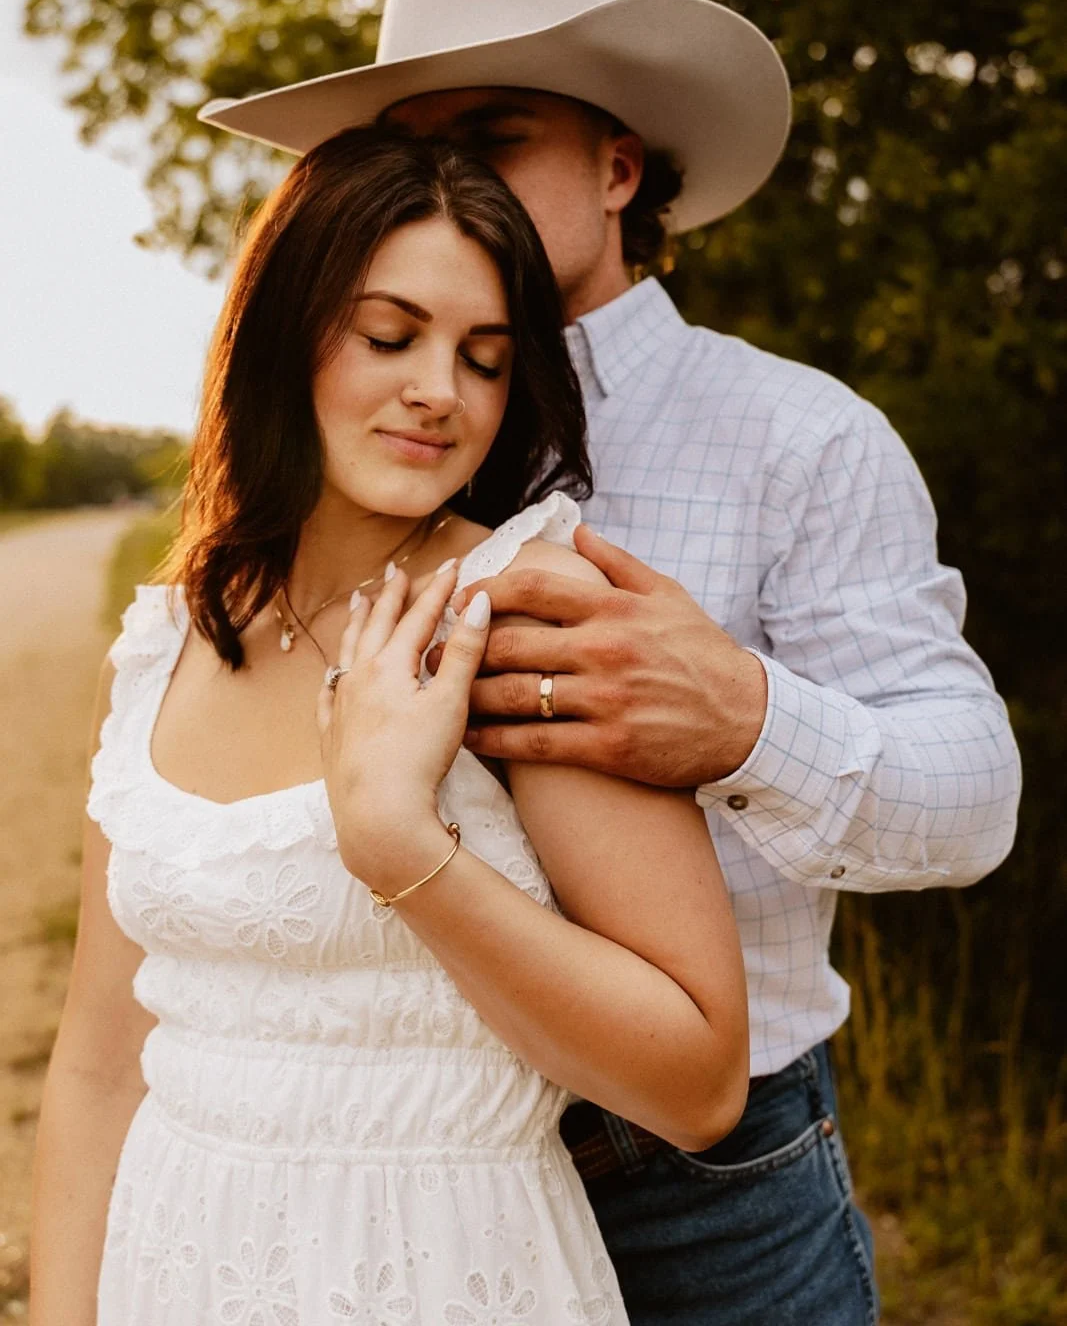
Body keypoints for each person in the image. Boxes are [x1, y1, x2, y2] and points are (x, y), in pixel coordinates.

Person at [195, 0, 1024, 1325]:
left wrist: (746, 722)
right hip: (398, 1175)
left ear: (617, 164)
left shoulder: (797, 439)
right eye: (423, 141)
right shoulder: (353, 421)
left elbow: (973, 801)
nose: (454, 178)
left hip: (699, 1187)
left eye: (498, 135)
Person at [29, 125, 750, 1324]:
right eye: (388, 335)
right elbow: (100, 1063)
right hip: (171, 1268)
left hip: (442, 1276)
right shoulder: (171, 635)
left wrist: (401, 849)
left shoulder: (526, 617)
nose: (439, 391)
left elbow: (698, 1078)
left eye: (482, 357)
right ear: (283, 331)